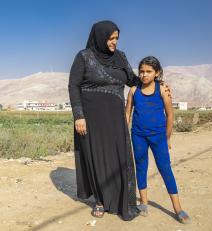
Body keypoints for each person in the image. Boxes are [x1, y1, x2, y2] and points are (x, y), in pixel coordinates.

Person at [68, 20, 142, 220]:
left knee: (119, 158)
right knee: (96, 158)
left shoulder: (120, 57)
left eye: (117, 38)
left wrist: (155, 82)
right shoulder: (84, 57)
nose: (114, 42)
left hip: (115, 119)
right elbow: (73, 86)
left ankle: (121, 201)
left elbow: (132, 80)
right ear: (100, 37)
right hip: (90, 119)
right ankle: (100, 201)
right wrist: (79, 116)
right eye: (111, 38)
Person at [125, 56, 191, 224]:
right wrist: (124, 133)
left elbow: (170, 115)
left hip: (158, 137)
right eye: (141, 71)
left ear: (157, 73)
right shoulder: (133, 90)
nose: (144, 75)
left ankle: (178, 208)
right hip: (138, 135)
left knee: (165, 169)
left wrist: (167, 137)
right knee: (141, 167)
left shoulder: (162, 90)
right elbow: (127, 114)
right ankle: (144, 203)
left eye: (148, 71)